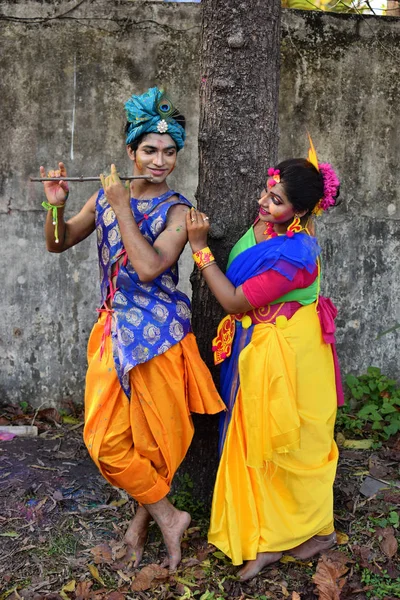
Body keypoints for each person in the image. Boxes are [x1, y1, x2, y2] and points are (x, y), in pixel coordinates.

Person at [41, 86, 225, 571]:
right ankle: (169, 515)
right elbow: (58, 244)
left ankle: (141, 527)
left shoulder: (179, 212)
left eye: (169, 152)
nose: (160, 160)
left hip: (161, 336)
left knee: (151, 444)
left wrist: (122, 207)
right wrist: (56, 205)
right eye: (149, 150)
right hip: (113, 332)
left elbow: (150, 267)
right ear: (130, 151)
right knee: (104, 441)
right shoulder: (105, 195)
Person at [185, 140, 343, 581]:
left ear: (301, 212)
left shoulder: (297, 256)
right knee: (256, 440)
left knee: (288, 445)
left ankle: (306, 534)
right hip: (259, 348)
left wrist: (200, 250)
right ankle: (265, 534)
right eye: (266, 190)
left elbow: (235, 301)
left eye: (276, 199)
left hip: (289, 356)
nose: (262, 202)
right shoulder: (270, 230)